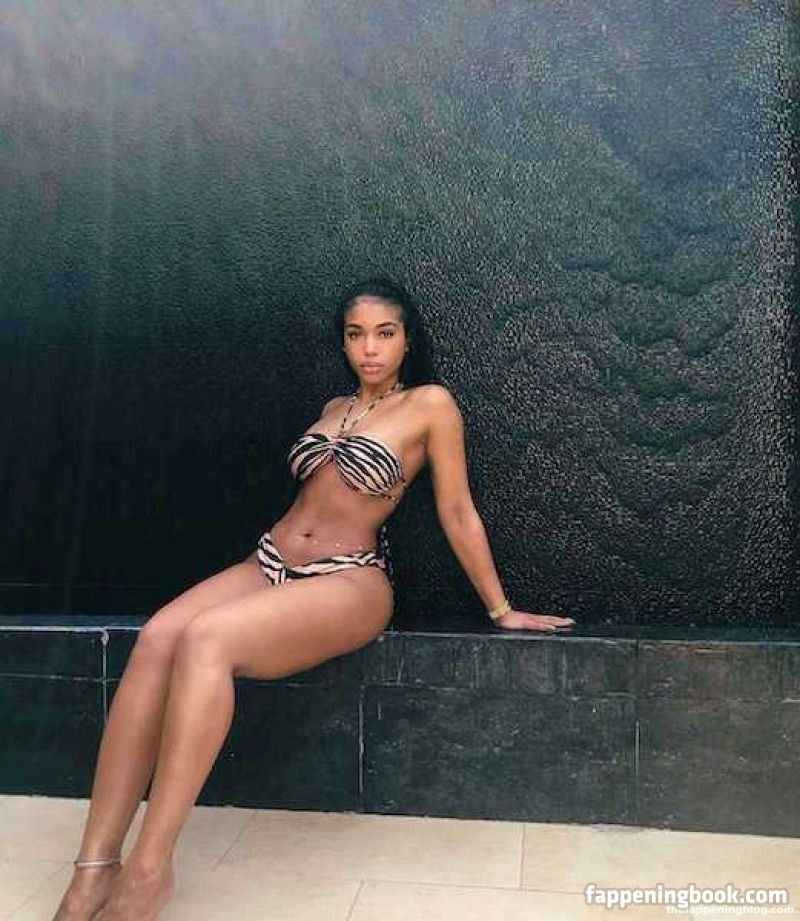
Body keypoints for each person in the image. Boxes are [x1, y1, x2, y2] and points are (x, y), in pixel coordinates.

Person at [54, 277, 575, 920]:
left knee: (207, 639)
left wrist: (501, 609)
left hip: (349, 579)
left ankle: (148, 869)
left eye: (385, 333)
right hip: (270, 561)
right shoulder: (335, 406)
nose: (370, 348)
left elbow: (457, 511)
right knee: (160, 634)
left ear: (408, 340)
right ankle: (93, 868)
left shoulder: (430, 404)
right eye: (356, 335)